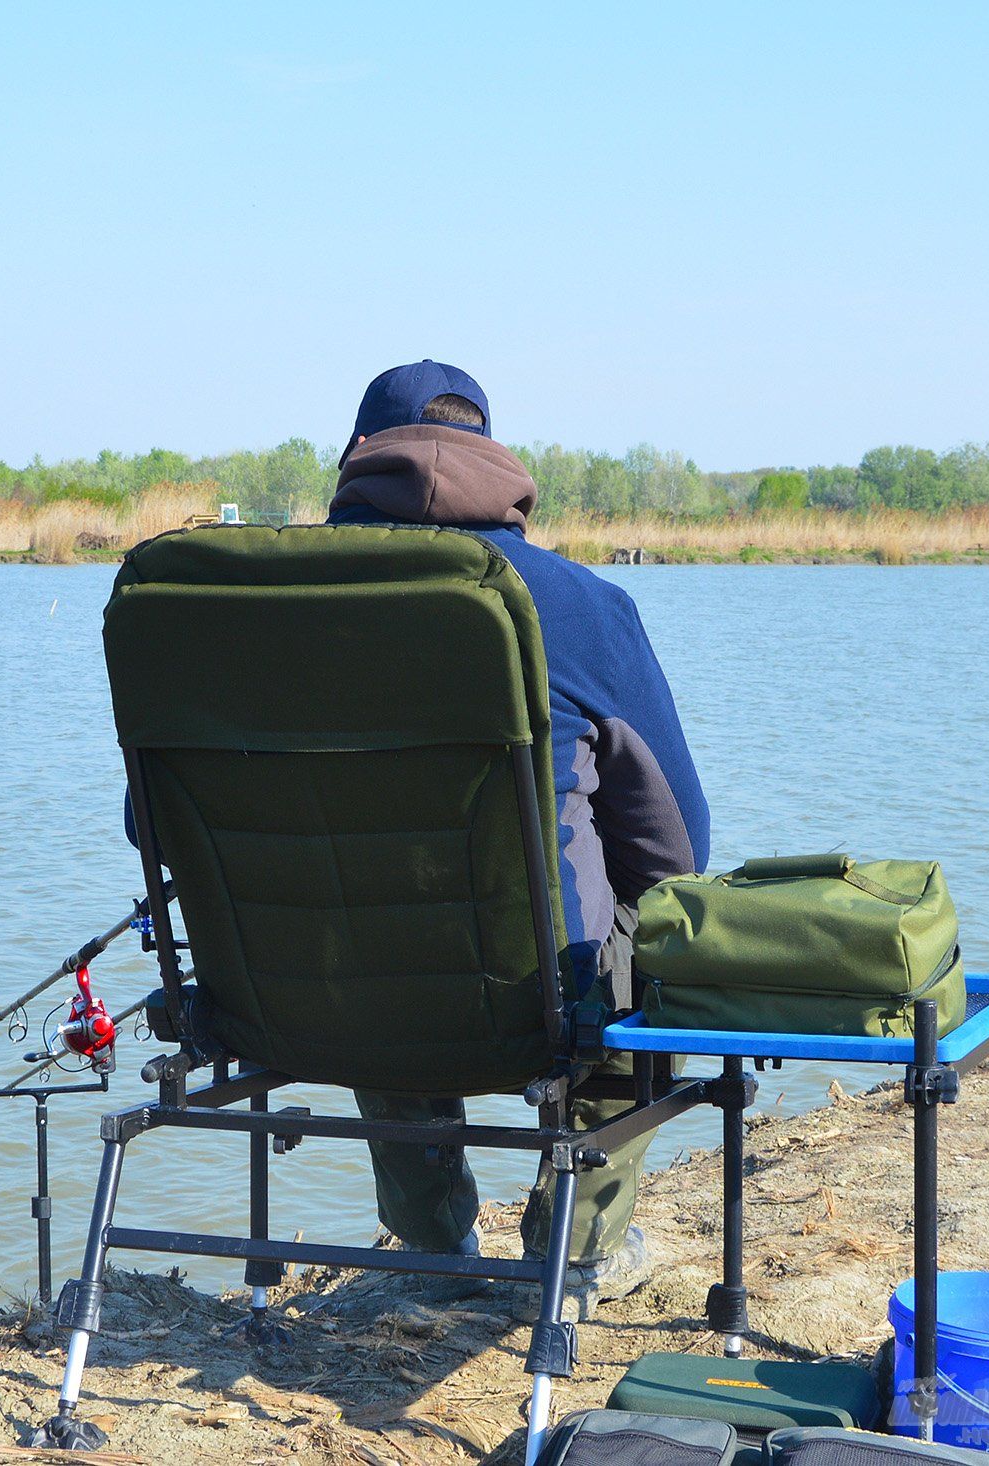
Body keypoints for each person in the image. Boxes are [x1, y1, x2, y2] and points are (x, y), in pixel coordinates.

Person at [326, 359, 710, 1310]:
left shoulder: (241, 604)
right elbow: (677, 849)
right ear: (491, 456)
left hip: (314, 992)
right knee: (669, 938)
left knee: (355, 916)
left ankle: (430, 1241)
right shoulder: (579, 604)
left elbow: (154, 822)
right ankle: (578, 1245)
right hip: (537, 994)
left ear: (357, 459)